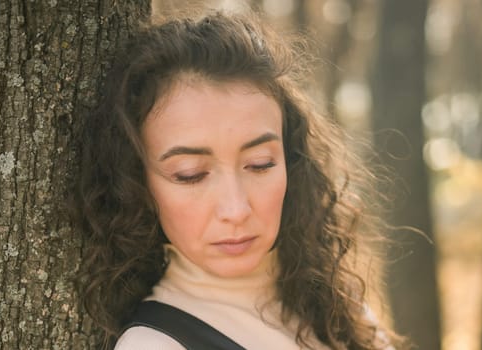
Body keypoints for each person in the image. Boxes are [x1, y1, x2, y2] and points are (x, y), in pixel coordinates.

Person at [76, 8, 400, 350]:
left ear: (291, 162)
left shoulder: (332, 303)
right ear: (138, 184)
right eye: (191, 175)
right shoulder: (154, 346)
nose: (236, 209)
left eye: (260, 164)